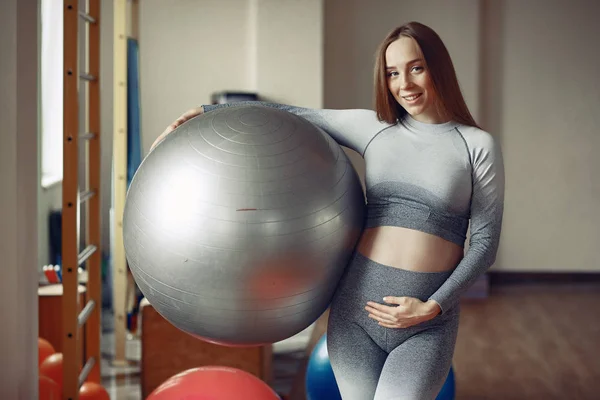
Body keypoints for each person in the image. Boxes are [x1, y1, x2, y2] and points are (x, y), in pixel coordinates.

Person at [153, 21, 504, 400]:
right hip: (355, 313)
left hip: (426, 324)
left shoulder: (476, 145)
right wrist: (205, 112)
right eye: (392, 73)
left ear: (439, 67)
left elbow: (485, 244)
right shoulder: (374, 129)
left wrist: (432, 307)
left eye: (416, 67)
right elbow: (289, 114)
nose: (405, 84)